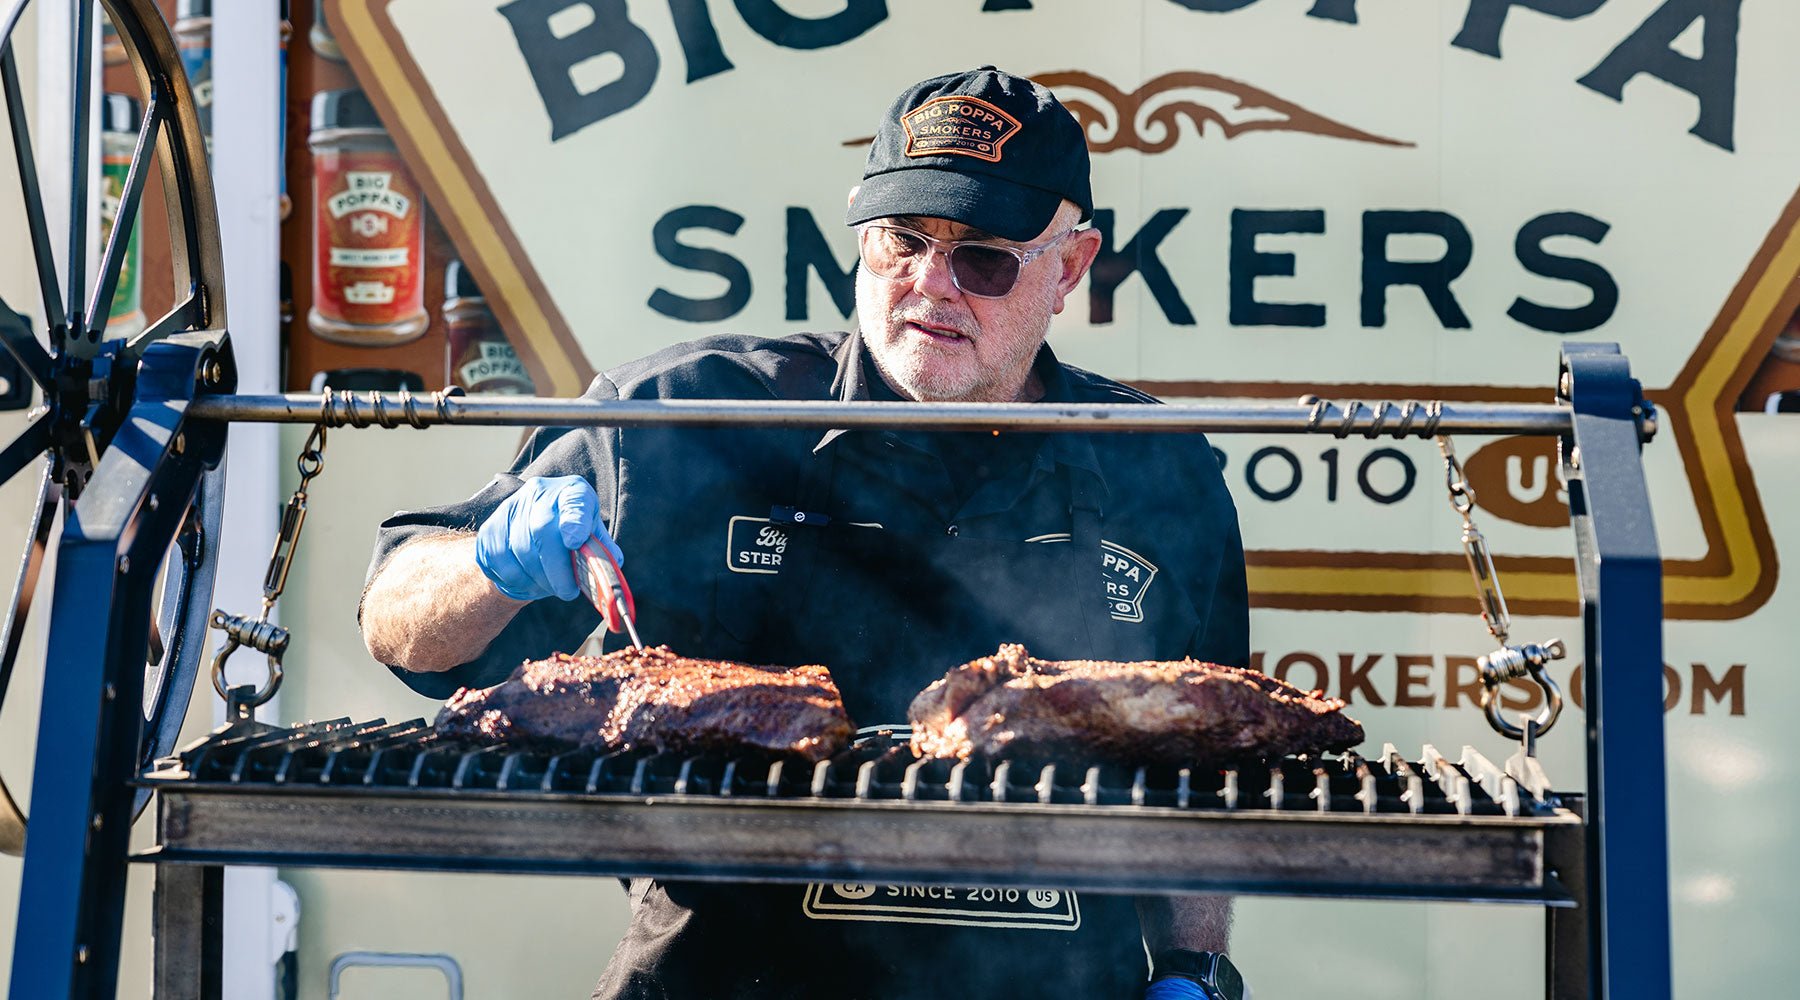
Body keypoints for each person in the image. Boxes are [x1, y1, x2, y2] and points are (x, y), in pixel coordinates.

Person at [360, 66, 1250, 1000]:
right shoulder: (684, 418)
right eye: (902, 242)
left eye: (983, 257)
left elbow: (1197, 773)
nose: (930, 286)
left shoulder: (1158, 469)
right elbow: (398, 624)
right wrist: (497, 563)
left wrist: (1193, 971)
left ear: (1068, 266)